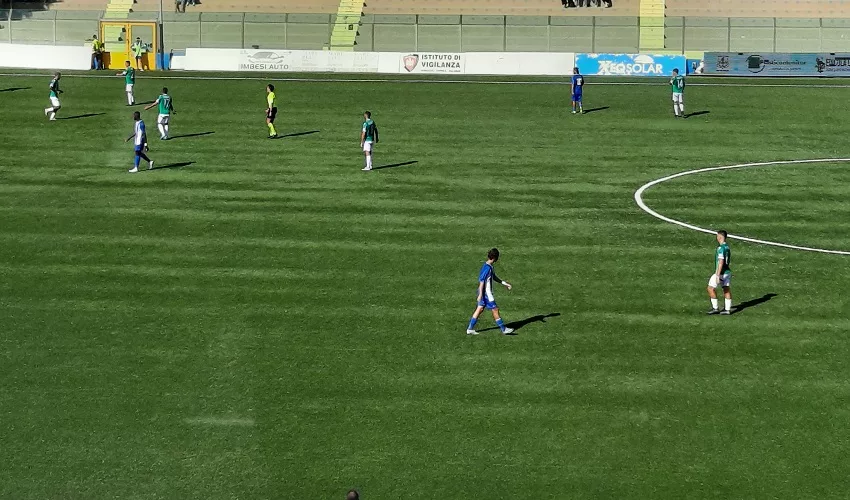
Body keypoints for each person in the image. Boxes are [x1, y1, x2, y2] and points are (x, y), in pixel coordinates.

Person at [466, 248, 514, 335]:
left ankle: (470, 329)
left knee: (480, 309)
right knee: (495, 309)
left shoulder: (489, 266)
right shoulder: (487, 268)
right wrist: (480, 295)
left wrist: (505, 283)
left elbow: (494, 277)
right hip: (486, 294)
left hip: (483, 293)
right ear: (495, 257)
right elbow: (481, 281)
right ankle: (504, 329)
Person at [707, 230, 733, 315]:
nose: (717, 238)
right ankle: (727, 309)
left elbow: (721, 262)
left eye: (717, 236)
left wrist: (717, 275)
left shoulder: (721, 248)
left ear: (720, 237)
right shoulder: (727, 247)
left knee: (710, 288)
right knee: (726, 289)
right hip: (727, 272)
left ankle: (715, 308)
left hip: (721, 273)